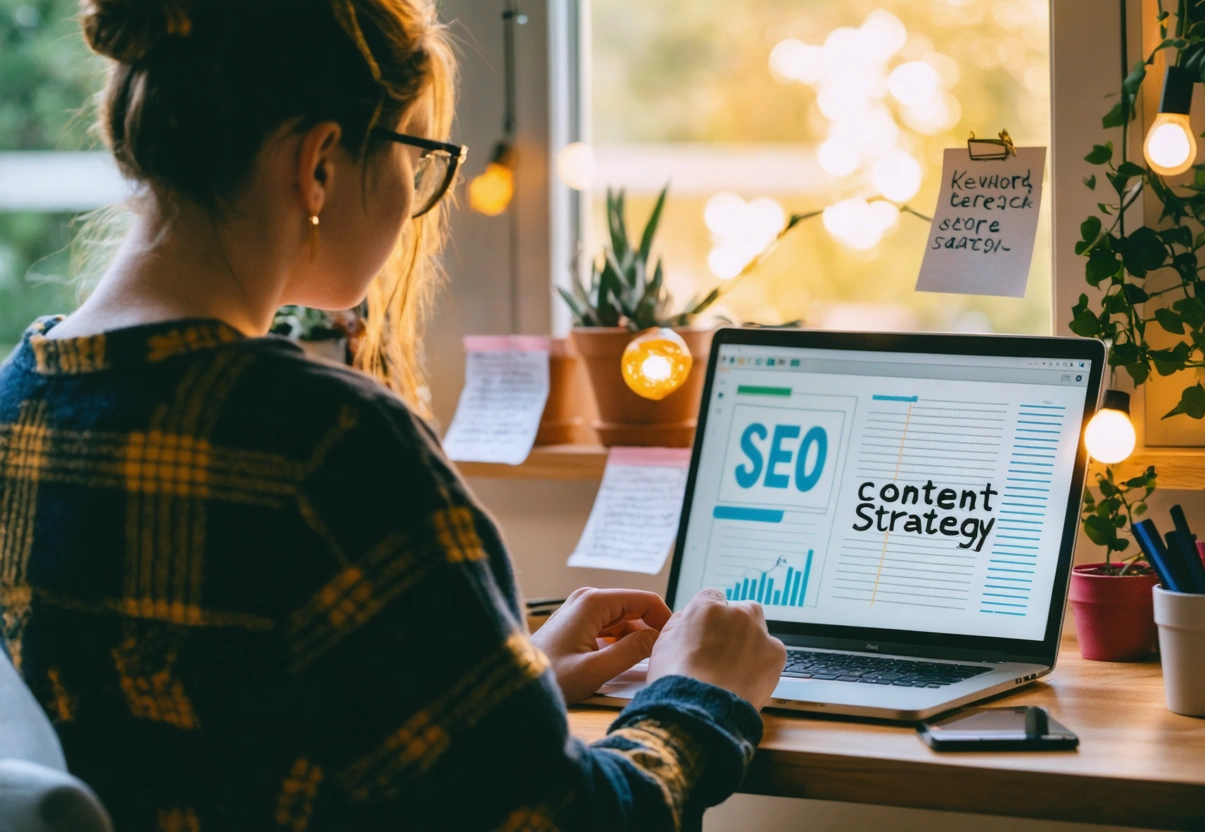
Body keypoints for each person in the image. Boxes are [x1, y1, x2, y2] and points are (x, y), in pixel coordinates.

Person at [0, 0, 786, 829]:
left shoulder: (19, 404)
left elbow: (224, 734)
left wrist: (507, 684)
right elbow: (565, 821)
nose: (417, 194)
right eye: (418, 155)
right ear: (319, 165)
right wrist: (699, 694)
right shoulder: (326, 446)